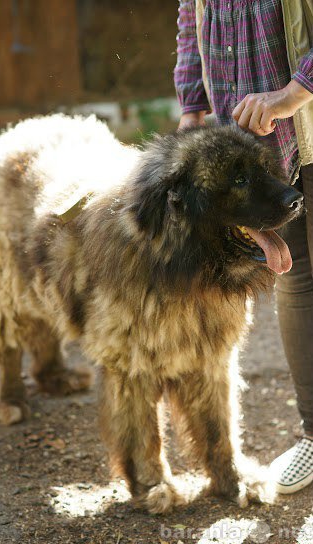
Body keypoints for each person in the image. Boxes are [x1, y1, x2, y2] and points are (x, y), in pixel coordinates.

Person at [174, 0, 313, 494]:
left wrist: (295, 92)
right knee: (296, 280)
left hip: (306, 114)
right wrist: (191, 108)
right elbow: (191, 20)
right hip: (262, 145)